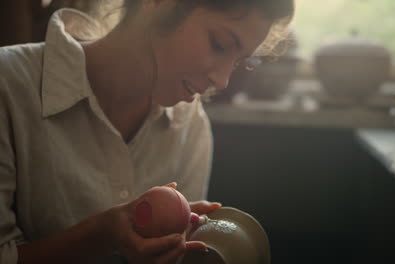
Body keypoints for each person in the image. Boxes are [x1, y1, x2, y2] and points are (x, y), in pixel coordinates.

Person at [0, 0, 295, 263]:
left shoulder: (189, 125)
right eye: (219, 43)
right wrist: (100, 237)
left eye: (239, 61)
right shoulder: (9, 86)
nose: (222, 81)